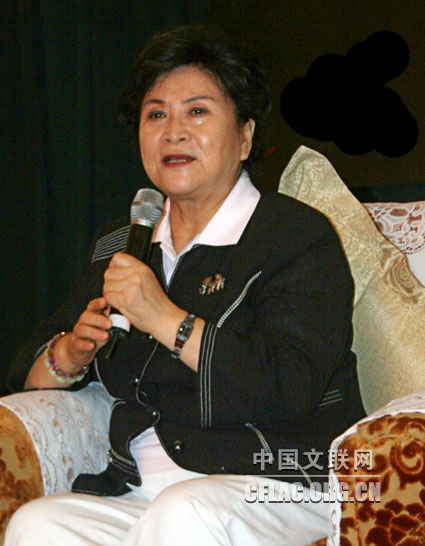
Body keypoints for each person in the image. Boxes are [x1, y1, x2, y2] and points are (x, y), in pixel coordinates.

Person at [6, 24, 365, 546]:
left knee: (183, 515)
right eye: (156, 115)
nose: (173, 132)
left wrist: (164, 318)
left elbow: (291, 385)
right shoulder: (124, 242)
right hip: (143, 490)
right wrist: (70, 354)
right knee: (38, 524)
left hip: (280, 480)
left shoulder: (294, 234)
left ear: (245, 136)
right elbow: (30, 367)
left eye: (197, 111)